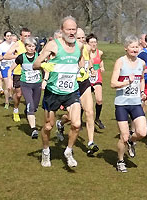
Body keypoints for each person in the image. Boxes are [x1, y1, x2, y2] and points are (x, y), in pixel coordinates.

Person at [33, 16, 84, 168]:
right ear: (62, 30)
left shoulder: (80, 46)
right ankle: (46, 151)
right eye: (68, 29)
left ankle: (68, 151)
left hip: (71, 91)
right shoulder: (53, 45)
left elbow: (80, 60)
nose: (71, 32)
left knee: (76, 124)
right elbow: (36, 63)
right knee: (48, 126)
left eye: (73, 29)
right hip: (53, 91)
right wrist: (44, 66)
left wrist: (81, 70)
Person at [56, 28, 99, 156]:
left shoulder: (85, 48)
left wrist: (91, 69)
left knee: (90, 112)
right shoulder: (68, 50)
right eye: (78, 38)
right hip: (72, 85)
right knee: (72, 117)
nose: (81, 41)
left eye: (83, 38)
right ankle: (61, 123)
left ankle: (91, 142)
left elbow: (89, 61)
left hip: (84, 83)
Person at [111, 35, 147, 172]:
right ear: (126, 48)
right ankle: (120, 160)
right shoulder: (120, 62)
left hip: (136, 103)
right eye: (132, 47)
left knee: (142, 132)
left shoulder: (141, 63)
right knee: (124, 136)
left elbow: (142, 78)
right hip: (121, 104)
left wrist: (142, 91)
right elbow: (113, 83)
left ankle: (132, 141)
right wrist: (127, 82)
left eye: (137, 46)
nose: (135, 49)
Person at [8, 37, 42, 139]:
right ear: (25, 47)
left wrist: (45, 80)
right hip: (25, 84)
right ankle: (33, 129)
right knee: (30, 105)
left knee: (34, 107)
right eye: (29, 46)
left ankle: (28, 112)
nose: (31, 48)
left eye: (33, 46)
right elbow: (10, 70)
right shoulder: (21, 57)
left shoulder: (39, 56)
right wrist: (10, 81)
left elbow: (46, 68)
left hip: (37, 84)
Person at [4, 28, 31, 122]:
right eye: (25, 36)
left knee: (30, 94)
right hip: (19, 72)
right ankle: (15, 110)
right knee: (19, 94)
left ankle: (28, 110)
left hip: (30, 73)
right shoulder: (17, 45)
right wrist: (18, 57)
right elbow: (6, 56)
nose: (27, 38)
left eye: (29, 36)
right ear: (21, 36)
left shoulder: (32, 44)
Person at [87, 33, 106, 129]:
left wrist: (102, 67)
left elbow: (100, 61)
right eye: (91, 42)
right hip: (86, 78)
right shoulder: (85, 53)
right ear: (87, 43)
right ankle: (80, 119)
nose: (94, 44)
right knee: (85, 103)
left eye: (95, 42)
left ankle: (97, 119)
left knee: (99, 100)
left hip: (97, 78)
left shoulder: (100, 52)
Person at [0, 31, 14, 109]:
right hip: (5, 67)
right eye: (7, 36)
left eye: (10, 36)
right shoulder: (2, 46)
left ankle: (12, 97)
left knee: (13, 86)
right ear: (5, 37)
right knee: (8, 86)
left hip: (14, 66)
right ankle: (7, 101)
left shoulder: (14, 44)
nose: (9, 37)